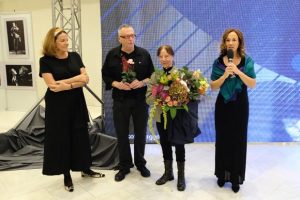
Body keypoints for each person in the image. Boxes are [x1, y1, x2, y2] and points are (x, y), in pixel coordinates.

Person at [39, 27, 104, 192]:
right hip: (57, 105)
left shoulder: (75, 56)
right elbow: (52, 86)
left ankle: (85, 168)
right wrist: (76, 81)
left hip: (76, 102)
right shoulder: (45, 61)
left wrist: (66, 84)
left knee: (80, 135)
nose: (66, 42)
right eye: (62, 40)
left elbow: (86, 79)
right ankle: (66, 174)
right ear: (52, 43)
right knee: (63, 138)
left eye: (67, 39)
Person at [102, 24, 154, 182]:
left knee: (140, 133)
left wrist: (143, 82)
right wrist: (116, 84)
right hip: (120, 101)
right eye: (126, 36)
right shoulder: (112, 55)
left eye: (132, 35)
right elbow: (106, 75)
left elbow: (153, 75)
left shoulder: (144, 54)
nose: (131, 39)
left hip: (140, 100)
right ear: (120, 38)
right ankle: (124, 165)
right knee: (122, 134)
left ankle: (140, 163)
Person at [147, 45, 201, 191]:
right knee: (164, 144)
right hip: (161, 116)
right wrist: (159, 98)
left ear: (173, 56)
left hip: (178, 117)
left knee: (179, 145)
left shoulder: (181, 75)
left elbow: (190, 96)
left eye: (167, 56)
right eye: (161, 57)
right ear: (158, 58)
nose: (164, 59)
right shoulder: (155, 76)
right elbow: (148, 98)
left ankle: (181, 176)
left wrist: (179, 99)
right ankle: (168, 173)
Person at [210, 28, 256, 193]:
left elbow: (252, 83)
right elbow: (213, 86)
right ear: (224, 42)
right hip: (222, 105)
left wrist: (237, 71)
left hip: (240, 105)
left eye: (234, 40)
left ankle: (236, 178)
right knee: (223, 140)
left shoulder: (246, 61)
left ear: (239, 42)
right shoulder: (219, 62)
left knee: (238, 140)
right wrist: (224, 75)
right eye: (228, 40)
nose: (231, 42)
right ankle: (222, 174)